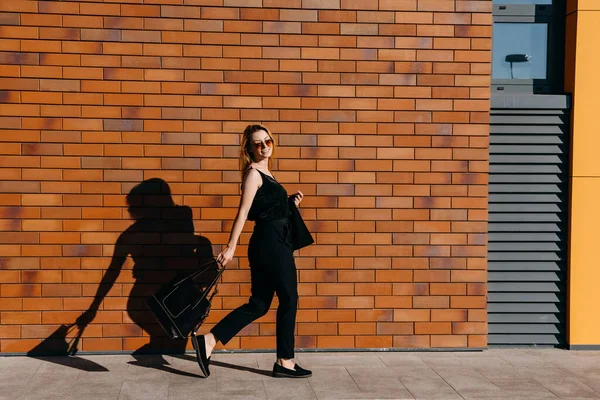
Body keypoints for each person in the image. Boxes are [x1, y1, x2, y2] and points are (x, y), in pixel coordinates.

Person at [191, 124, 312, 379]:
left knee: (259, 304)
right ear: (249, 149)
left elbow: (265, 210)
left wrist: (288, 203)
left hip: (271, 243)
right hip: (271, 245)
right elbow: (243, 212)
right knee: (289, 299)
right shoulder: (254, 174)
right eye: (258, 143)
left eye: (267, 141)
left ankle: (209, 341)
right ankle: (285, 361)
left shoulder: (266, 174)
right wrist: (231, 246)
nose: (264, 146)